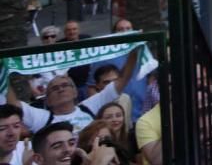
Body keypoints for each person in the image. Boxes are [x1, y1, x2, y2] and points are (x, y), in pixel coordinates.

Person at [8, 53, 137, 135]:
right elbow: (13, 104)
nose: (60, 89)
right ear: (47, 100)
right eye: (54, 88)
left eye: (65, 85)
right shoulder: (42, 118)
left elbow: (122, 79)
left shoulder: (89, 107)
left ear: (75, 92)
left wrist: (134, 51)